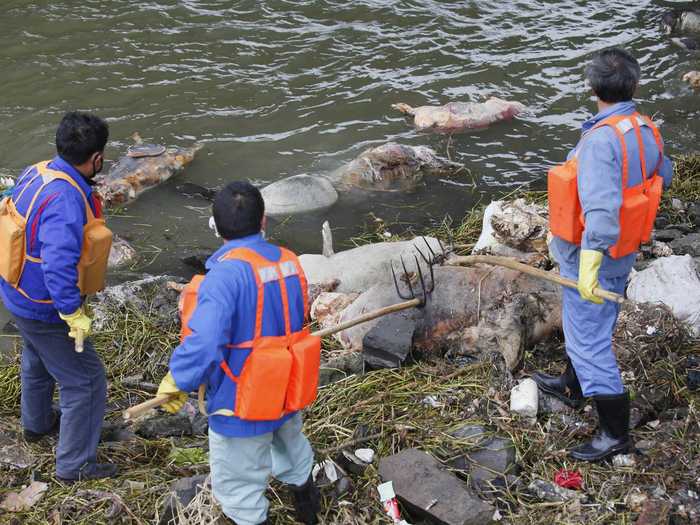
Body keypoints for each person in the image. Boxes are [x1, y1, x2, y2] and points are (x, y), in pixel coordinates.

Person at [535, 48, 674, 462]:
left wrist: (589, 266)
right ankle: (573, 386)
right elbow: (662, 173)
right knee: (586, 327)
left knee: (589, 341)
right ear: (633, 84)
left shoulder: (600, 141)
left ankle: (615, 433)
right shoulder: (644, 128)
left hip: (591, 253)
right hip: (623, 251)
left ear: (593, 87)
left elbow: (601, 215)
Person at [157, 182, 320, 525]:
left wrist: (178, 379)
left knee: (239, 490)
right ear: (264, 221)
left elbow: (205, 343)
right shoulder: (289, 261)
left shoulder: (223, 277)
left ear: (215, 227)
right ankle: (308, 511)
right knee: (293, 450)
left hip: (242, 400)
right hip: (287, 386)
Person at [0, 112, 116, 481]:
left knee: (37, 359)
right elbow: (57, 265)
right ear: (96, 159)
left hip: (16, 294)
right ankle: (75, 465)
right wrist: (71, 314)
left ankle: (36, 425)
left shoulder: (37, 172)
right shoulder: (65, 200)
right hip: (44, 307)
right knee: (86, 380)